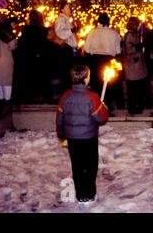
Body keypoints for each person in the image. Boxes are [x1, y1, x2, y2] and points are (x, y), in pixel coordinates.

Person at [56, 65, 108, 203]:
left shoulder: (65, 96)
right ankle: (90, 194)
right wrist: (103, 108)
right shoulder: (92, 97)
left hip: (72, 138)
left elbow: (60, 117)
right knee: (90, 166)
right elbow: (101, 118)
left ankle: (80, 195)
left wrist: (61, 133)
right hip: (88, 137)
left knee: (77, 166)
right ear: (86, 79)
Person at [84, 13, 121, 114]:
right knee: (108, 84)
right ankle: (107, 108)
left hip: (95, 61)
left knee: (96, 85)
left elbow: (86, 49)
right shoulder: (114, 33)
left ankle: (95, 107)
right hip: (108, 61)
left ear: (98, 21)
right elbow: (118, 51)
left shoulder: (92, 33)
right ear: (108, 22)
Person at [14, 10, 51, 103]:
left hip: (29, 59)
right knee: (41, 78)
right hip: (41, 58)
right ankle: (41, 96)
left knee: (30, 78)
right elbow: (46, 44)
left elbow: (22, 45)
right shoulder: (43, 30)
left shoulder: (27, 30)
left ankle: (30, 96)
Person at [122, 17, 147, 115]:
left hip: (136, 65)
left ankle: (137, 106)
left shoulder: (135, 35)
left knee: (137, 88)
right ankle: (132, 107)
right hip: (132, 65)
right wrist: (138, 47)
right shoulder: (128, 35)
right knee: (133, 88)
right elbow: (127, 50)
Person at [54, 0, 79, 93]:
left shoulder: (67, 20)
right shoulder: (61, 19)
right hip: (65, 49)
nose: (70, 10)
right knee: (66, 73)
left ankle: (68, 91)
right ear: (62, 10)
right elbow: (59, 33)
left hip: (69, 48)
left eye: (70, 8)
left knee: (68, 72)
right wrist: (71, 31)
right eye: (68, 8)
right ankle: (65, 92)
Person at [0, 17, 19, 106]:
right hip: (6, 59)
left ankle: (1, 99)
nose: (15, 26)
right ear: (11, 24)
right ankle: (7, 99)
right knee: (7, 80)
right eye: (14, 24)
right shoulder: (9, 35)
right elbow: (12, 47)